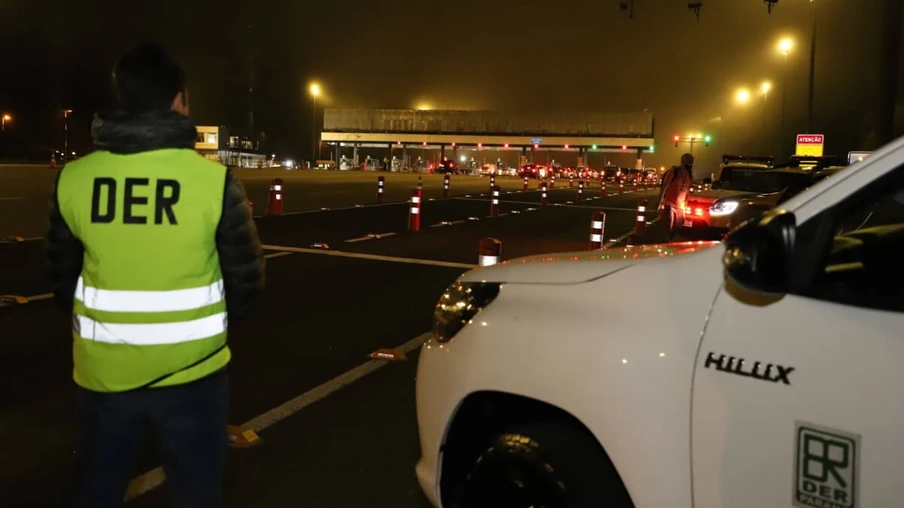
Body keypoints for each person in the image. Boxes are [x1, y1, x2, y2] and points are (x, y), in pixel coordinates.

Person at [46, 42, 265, 507]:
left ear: (121, 96)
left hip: (103, 378)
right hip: (194, 376)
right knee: (197, 495)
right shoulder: (213, 181)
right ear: (180, 100)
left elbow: (62, 279)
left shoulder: (73, 179)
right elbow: (245, 282)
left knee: (95, 492)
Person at [658, 153, 695, 240]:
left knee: (677, 230)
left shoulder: (689, 175)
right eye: (689, 163)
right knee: (668, 230)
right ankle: (667, 248)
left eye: (692, 163)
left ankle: (671, 247)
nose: (690, 165)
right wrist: (659, 202)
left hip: (681, 208)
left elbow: (687, 191)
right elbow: (664, 187)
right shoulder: (674, 172)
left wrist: (686, 204)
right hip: (670, 205)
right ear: (683, 161)